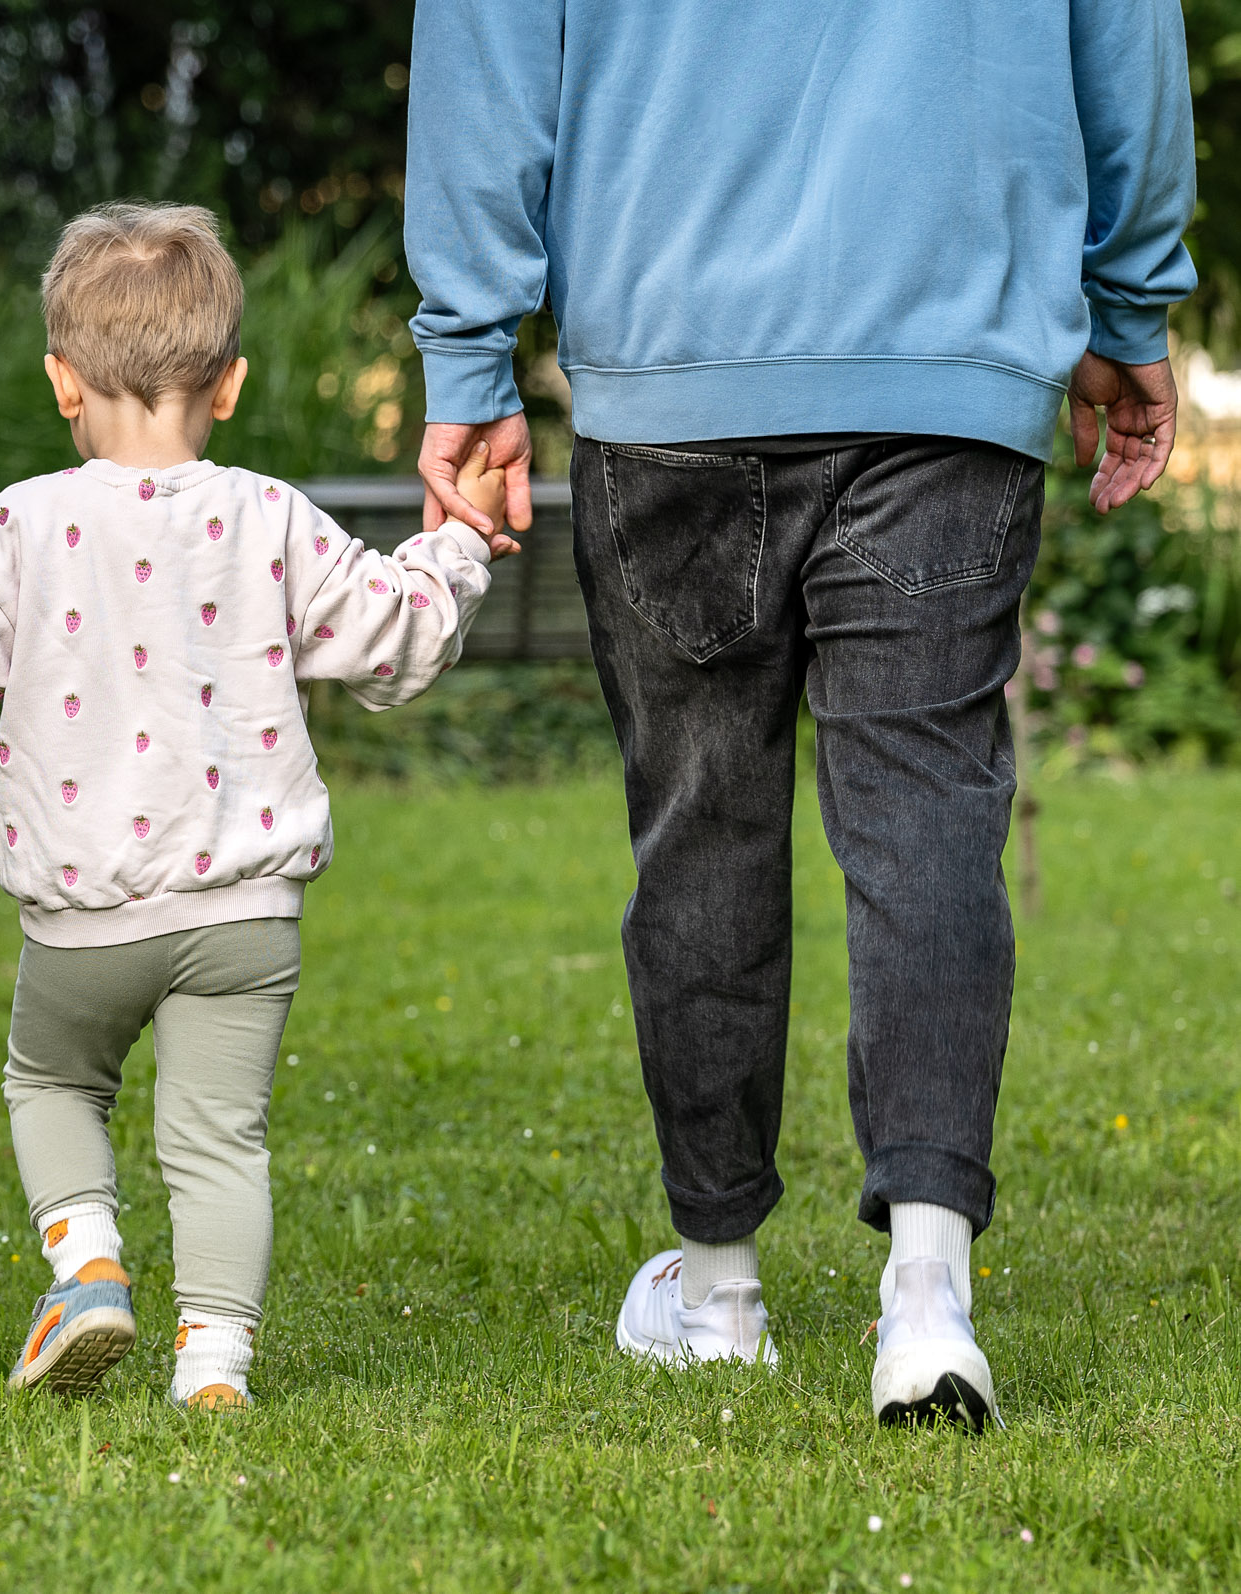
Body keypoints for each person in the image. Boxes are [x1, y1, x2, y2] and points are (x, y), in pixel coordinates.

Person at [403, 0, 1195, 1430]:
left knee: (701, 825)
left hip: (671, 366)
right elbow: (1124, 38)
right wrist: (1129, 303)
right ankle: (929, 1301)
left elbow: (487, 49)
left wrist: (468, 355)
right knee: (929, 817)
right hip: (948, 361)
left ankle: (716, 1299)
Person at [0, 203, 502, 1407]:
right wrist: (461, 542)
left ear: (60, 383)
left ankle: (87, 1268)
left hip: (80, 924)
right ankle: (215, 1362)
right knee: (219, 1136)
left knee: (53, 1084)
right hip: (243, 918)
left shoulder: (25, 524)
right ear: (227, 386)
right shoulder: (269, 517)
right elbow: (397, 639)